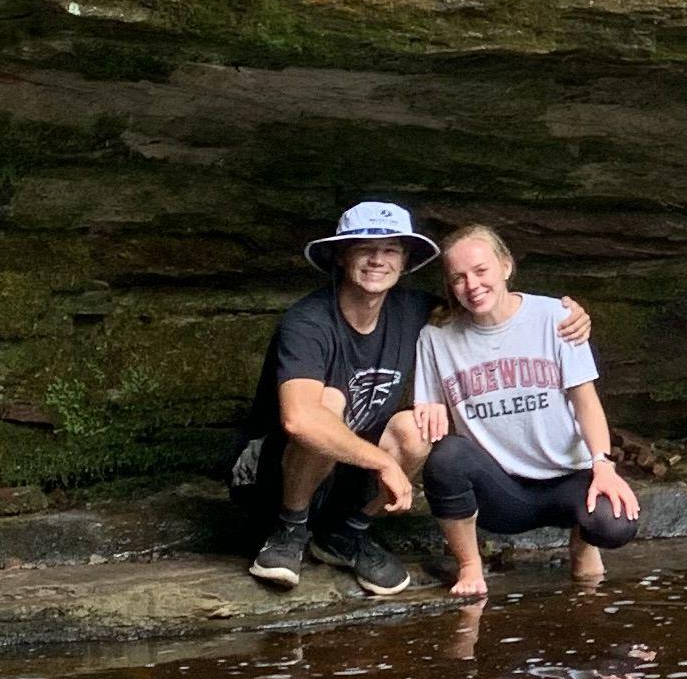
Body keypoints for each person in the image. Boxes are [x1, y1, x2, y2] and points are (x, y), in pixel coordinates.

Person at [240, 202, 591, 590]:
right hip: (273, 478)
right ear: (341, 256)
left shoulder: (413, 310)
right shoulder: (307, 322)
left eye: (390, 250)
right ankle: (291, 529)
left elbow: (486, 301)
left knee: (416, 426)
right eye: (364, 249)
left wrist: (565, 312)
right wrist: (384, 465)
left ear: (405, 261)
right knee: (328, 406)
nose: (378, 260)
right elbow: (299, 420)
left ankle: (345, 534)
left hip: (350, 477)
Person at [409, 223, 643, 597]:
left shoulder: (556, 318)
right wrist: (428, 410)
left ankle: (583, 543)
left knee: (615, 523)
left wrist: (603, 464)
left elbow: (586, 402)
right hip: (501, 493)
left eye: (481, 271)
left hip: (568, 480)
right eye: (459, 278)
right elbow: (429, 408)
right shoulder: (436, 337)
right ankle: (470, 567)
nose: (472, 286)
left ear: (506, 266)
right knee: (447, 457)